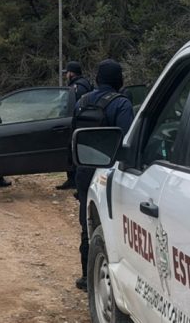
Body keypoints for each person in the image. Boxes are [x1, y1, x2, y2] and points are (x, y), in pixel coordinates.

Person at [73, 59, 134, 292]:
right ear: (119, 80)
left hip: (85, 167)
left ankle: (86, 276)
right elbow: (127, 139)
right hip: (110, 171)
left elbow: (74, 136)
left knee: (88, 222)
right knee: (115, 222)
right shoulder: (121, 104)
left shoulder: (81, 101)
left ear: (97, 79)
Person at [56, 61, 93, 190]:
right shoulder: (84, 84)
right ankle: (72, 180)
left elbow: (72, 106)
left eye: (67, 73)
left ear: (71, 73)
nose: (66, 75)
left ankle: (77, 182)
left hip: (78, 123)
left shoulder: (77, 87)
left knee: (75, 152)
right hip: (80, 122)